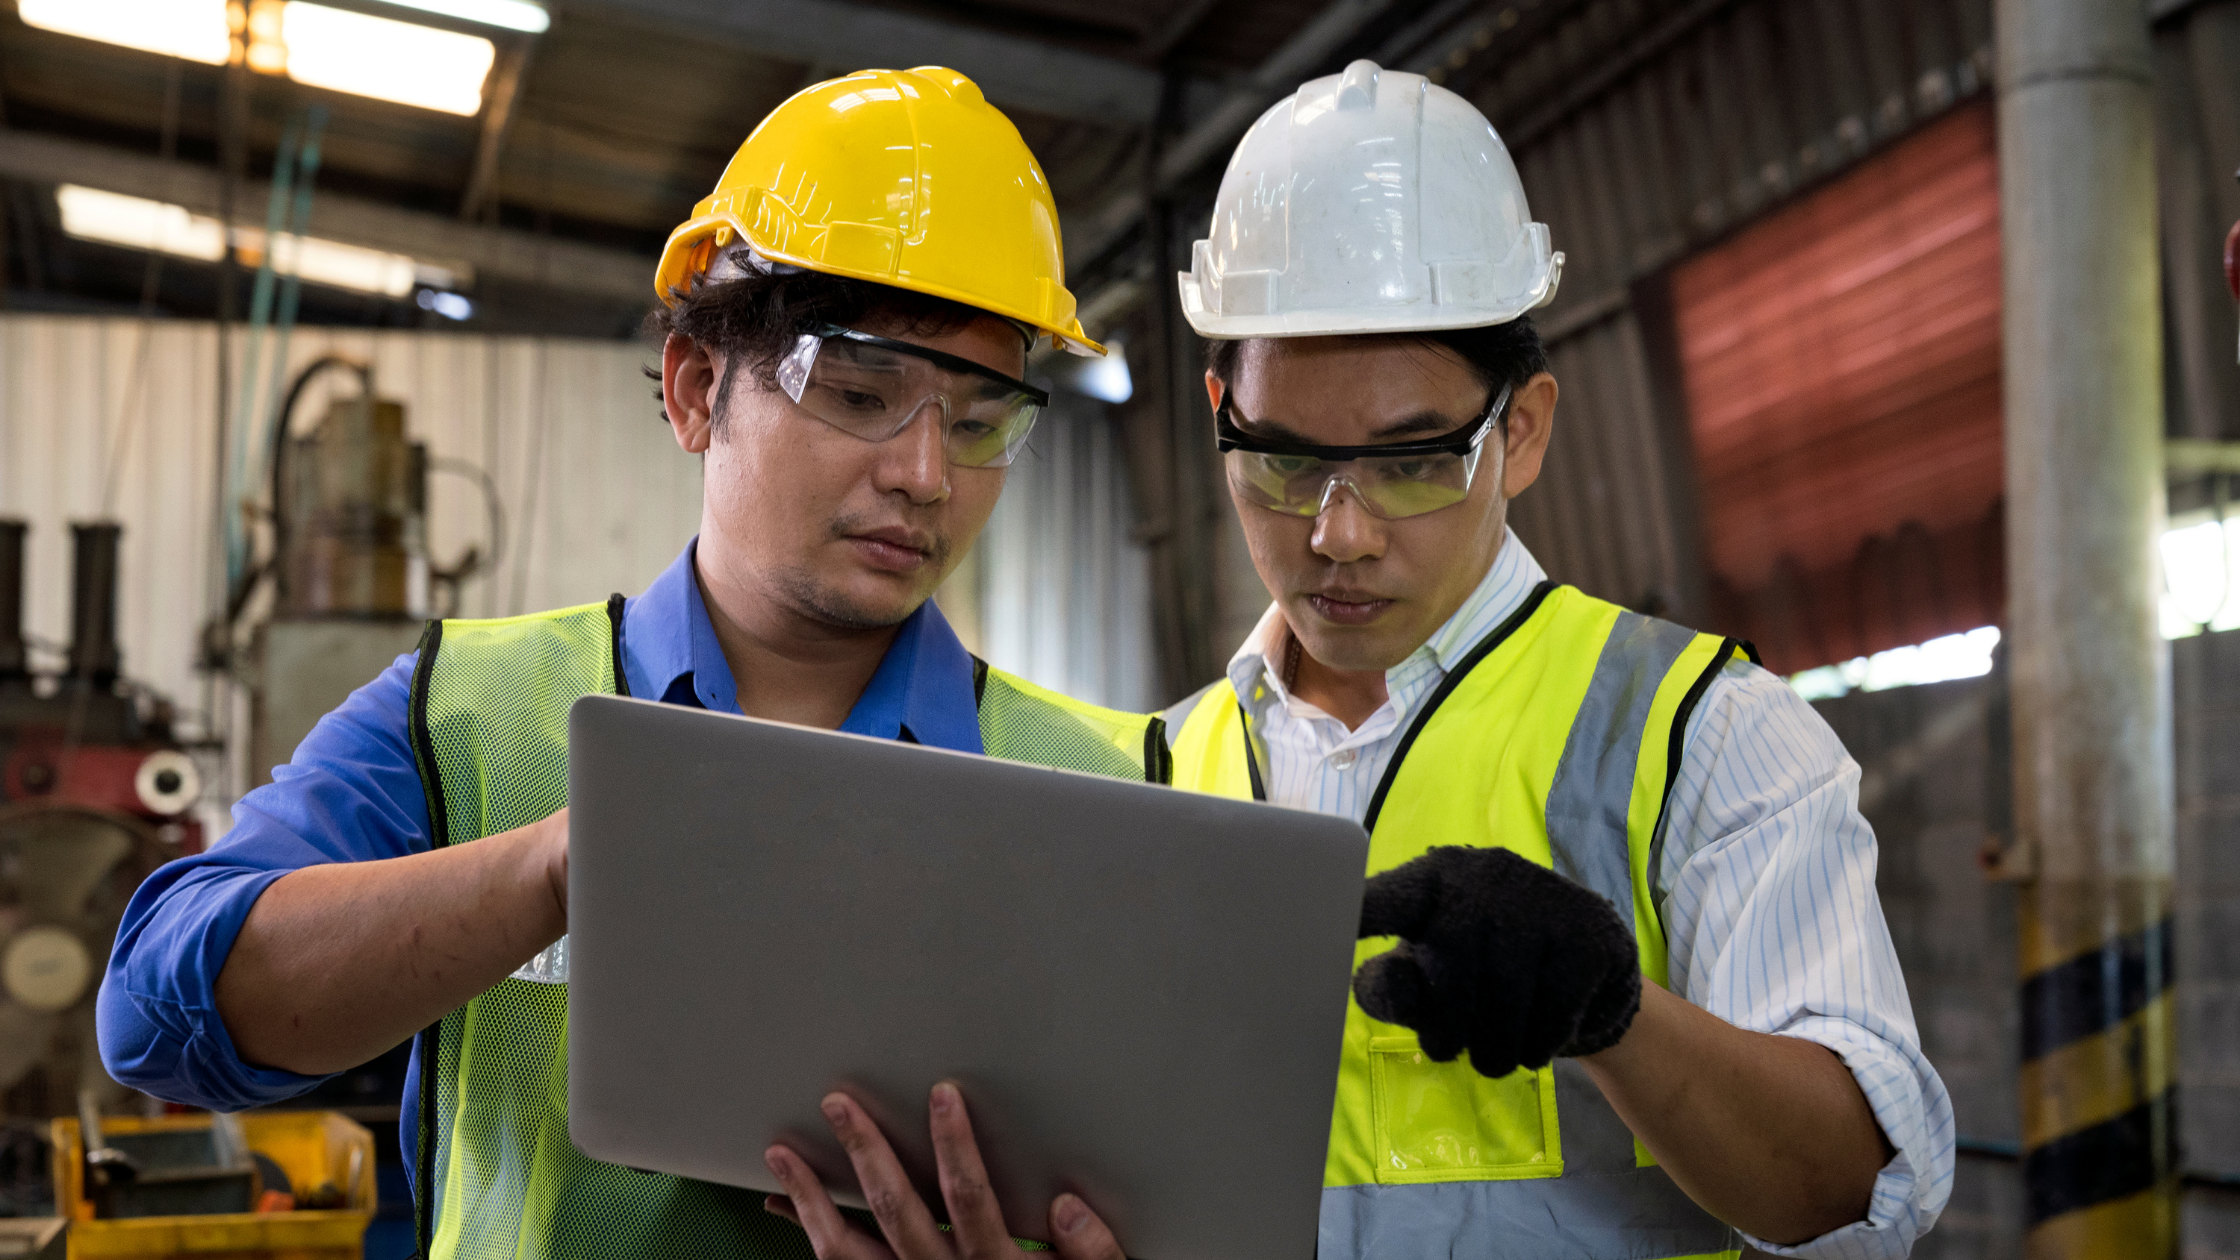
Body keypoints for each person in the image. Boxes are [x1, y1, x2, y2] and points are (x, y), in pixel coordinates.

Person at [99, 67, 1149, 1260]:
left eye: (975, 424)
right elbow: (155, 1016)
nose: (924, 476)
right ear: (697, 387)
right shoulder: (469, 720)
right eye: (862, 393)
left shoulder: (1094, 785)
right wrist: (553, 866)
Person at [1160, 61, 1956, 1260]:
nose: (1336, 533)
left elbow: (1846, 1196)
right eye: (1278, 461)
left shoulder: (1705, 734)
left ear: (1518, 431)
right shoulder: (1163, 763)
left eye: (1411, 461)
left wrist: (1613, 1013)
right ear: (1220, 407)